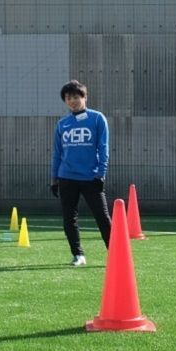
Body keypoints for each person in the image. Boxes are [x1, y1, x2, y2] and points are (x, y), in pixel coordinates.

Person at [51, 79, 111, 267]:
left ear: (85, 98)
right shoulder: (62, 124)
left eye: (76, 97)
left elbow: (103, 148)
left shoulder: (97, 118)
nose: (72, 101)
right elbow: (57, 153)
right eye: (68, 98)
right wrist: (54, 179)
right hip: (67, 177)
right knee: (69, 218)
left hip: (91, 178)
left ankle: (116, 254)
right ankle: (78, 255)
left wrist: (101, 174)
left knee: (102, 217)